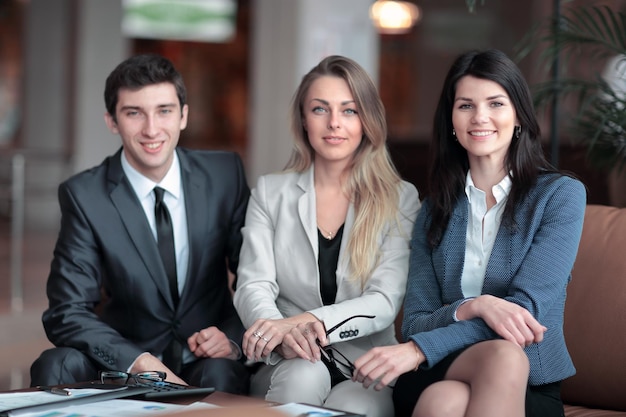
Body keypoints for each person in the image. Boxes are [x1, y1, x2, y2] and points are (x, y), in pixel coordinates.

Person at [352, 49, 587, 417]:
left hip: (526, 379)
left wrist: (417, 349)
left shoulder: (559, 197)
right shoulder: (434, 209)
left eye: (495, 103)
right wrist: (476, 305)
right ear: (451, 120)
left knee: (453, 395)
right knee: (465, 378)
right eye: (465, 106)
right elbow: (416, 320)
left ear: (519, 116)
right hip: (443, 363)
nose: (480, 117)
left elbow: (524, 318)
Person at [30, 53, 251, 394]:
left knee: (221, 375)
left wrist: (233, 339)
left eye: (164, 111)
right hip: (127, 359)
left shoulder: (224, 175)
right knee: (55, 363)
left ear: (183, 116)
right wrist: (138, 362)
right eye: (134, 113)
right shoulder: (85, 195)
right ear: (112, 121)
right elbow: (66, 310)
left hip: (206, 358)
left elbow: (258, 275)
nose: (151, 129)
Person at [233, 55, 420, 417]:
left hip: (365, 365)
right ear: (303, 119)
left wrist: (308, 323)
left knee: (355, 406)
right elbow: (252, 285)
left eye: (349, 111)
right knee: (302, 377)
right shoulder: (271, 192)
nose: (334, 123)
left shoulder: (400, 198)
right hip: (285, 361)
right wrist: (281, 337)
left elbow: (383, 301)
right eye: (320, 109)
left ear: (367, 119)